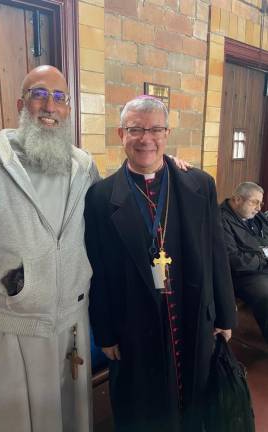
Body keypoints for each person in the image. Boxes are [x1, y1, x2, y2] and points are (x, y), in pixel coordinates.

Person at [0, 65, 100, 432]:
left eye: (59, 98)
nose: (50, 105)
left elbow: (111, 214)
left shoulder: (83, 167)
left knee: (69, 421)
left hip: (70, 328)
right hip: (8, 331)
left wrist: (162, 168)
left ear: (68, 110)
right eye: (39, 94)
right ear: (21, 103)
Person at [84, 95, 236, 432]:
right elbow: (99, 271)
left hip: (192, 311)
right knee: (143, 409)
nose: (145, 139)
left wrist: (225, 314)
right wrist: (105, 332)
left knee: (197, 404)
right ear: (121, 134)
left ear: (167, 134)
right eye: (135, 129)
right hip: (133, 322)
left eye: (155, 129)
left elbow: (216, 250)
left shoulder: (199, 184)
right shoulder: (100, 197)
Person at [220, 182, 268, 343]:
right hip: (244, 275)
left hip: (261, 263)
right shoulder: (220, 219)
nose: (259, 208)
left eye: (261, 203)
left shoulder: (255, 215)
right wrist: (263, 258)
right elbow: (233, 260)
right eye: (254, 202)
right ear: (238, 199)